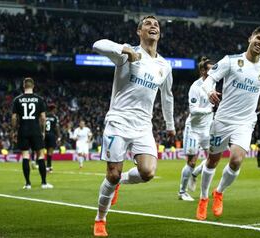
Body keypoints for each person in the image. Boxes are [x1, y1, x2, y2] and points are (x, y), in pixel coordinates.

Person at [92, 15, 175, 237]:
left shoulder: (164, 66)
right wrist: (124, 49)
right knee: (112, 174)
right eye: (148, 24)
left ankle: (121, 183)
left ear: (160, 33)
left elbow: (167, 96)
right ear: (139, 31)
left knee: (147, 172)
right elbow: (97, 45)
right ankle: (100, 218)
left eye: (156, 24)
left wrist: (169, 124)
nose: (153, 26)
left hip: (143, 126)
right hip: (118, 122)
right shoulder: (128, 53)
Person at [196, 26, 260, 220]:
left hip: (245, 122)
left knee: (237, 160)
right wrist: (210, 91)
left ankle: (219, 192)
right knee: (212, 160)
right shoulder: (230, 61)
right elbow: (208, 81)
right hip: (222, 120)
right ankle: (204, 198)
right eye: (259, 38)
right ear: (250, 38)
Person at [178, 57, 215, 201]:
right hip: (193, 129)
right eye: (210, 69)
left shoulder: (213, 84)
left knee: (213, 159)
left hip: (207, 129)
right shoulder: (195, 87)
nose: (213, 72)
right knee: (192, 162)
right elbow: (193, 110)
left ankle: (194, 174)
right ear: (202, 71)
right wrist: (210, 110)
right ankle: (182, 192)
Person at [11, 77, 53, 189]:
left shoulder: (17, 100)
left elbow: (14, 117)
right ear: (33, 86)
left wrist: (14, 131)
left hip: (23, 129)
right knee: (40, 155)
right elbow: (43, 118)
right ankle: (44, 183)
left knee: (25, 155)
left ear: (23, 86)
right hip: (35, 129)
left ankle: (28, 184)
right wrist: (43, 131)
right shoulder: (39, 99)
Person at [45, 103, 61, 172]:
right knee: (50, 152)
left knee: (43, 151)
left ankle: (47, 166)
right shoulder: (55, 117)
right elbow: (56, 127)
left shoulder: (44, 116)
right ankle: (49, 166)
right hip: (51, 135)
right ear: (53, 109)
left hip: (45, 134)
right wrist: (59, 136)